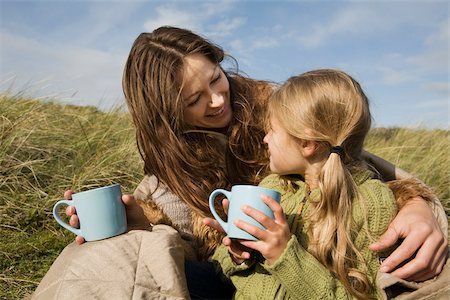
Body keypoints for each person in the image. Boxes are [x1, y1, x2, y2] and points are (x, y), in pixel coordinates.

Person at [63, 27, 447, 298]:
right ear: (165, 113)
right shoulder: (168, 172)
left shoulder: (278, 109)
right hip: (244, 283)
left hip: (316, 273)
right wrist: (140, 227)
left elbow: (354, 162)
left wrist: (417, 205)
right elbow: (186, 262)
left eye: (215, 79)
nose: (215, 101)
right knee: (102, 257)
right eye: (194, 100)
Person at [207, 69, 442, 299]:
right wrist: (239, 254)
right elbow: (221, 268)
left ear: (307, 143)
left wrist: (284, 255)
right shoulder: (274, 186)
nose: (265, 138)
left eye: (272, 130)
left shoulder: (370, 205)